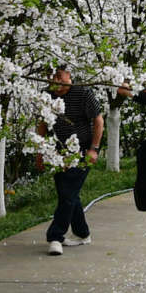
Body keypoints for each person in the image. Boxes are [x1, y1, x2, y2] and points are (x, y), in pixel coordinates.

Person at [43, 66, 103, 256]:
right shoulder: (47, 94)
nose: (56, 81)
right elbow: (43, 123)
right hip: (58, 151)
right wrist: (40, 152)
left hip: (82, 151)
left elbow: (98, 120)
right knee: (67, 193)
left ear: (69, 76)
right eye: (52, 77)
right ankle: (83, 234)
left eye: (59, 76)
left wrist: (94, 149)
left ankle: (56, 236)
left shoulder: (83, 92)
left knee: (68, 192)